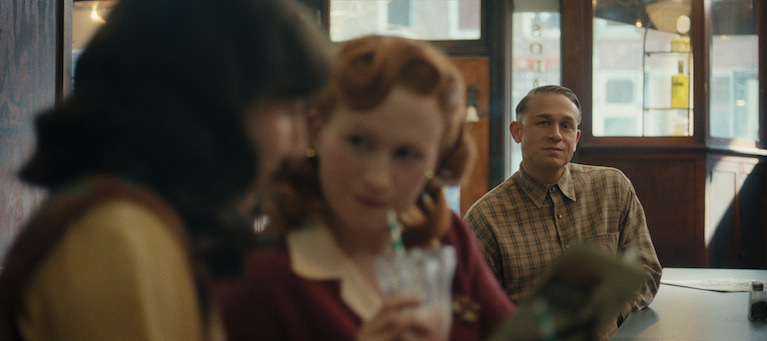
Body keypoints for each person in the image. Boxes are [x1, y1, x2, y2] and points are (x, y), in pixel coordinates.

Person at [0, 0, 332, 339]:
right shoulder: (122, 239)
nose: (299, 144)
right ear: (215, 102)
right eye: (289, 110)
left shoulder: (140, 225)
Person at [214, 35, 515, 341]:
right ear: (316, 131)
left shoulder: (446, 239)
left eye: (406, 154)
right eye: (358, 142)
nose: (378, 179)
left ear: (436, 161)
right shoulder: (260, 280)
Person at [463, 85, 662, 339]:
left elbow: (647, 272)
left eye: (566, 126)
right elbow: (476, 313)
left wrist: (609, 314)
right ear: (517, 131)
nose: (556, 135)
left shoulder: (612, 188)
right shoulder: (485, 218)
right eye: (543, 123)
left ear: (576, 138)